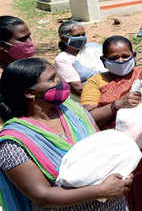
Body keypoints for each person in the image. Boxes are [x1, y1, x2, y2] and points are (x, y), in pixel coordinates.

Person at [0, 58, 132, 211]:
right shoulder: (13, 142)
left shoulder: (72, 111)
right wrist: (101, 191)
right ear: (30, 93)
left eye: (58, 75)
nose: (60, 81)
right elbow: (41, 196)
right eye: (52, 79)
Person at [81, 35, 142, 211]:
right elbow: (89, 117)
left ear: (134, 54)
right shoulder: (96, 82)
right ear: (103, 60)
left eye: (125, 56)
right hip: (116, 159)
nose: (121, 61)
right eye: (114, 58)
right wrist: (117, 105)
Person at [0, 15, 35, 128]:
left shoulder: (27, 65)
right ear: (2, 46)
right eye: (23, 39)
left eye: (29, 37)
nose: (30, 42)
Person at [55, 20, 95, 97]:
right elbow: (78, 88)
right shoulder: (63, 59)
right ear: (64, 39)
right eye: (77, 36)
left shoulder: (92, 49)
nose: (81, 38)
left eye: (83, 34)